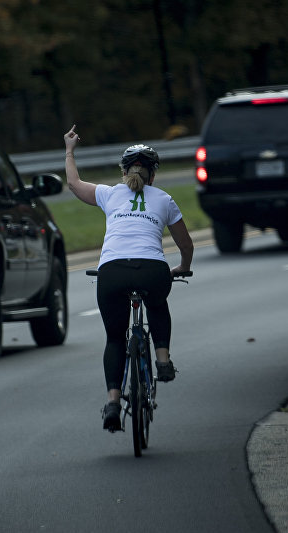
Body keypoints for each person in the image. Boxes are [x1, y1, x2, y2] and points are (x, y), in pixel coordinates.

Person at [63, 124, 194, 433]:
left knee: (114, 338)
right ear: (153, 175)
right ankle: (163, 360)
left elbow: (73, 183)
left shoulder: (109, 194)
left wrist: (69, 150)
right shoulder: (164, 199)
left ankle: (112, 402)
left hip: (112, 271)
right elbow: (185, 244)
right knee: (157, 303)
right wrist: (183, 267)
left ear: (123, 172)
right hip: (152, 269)